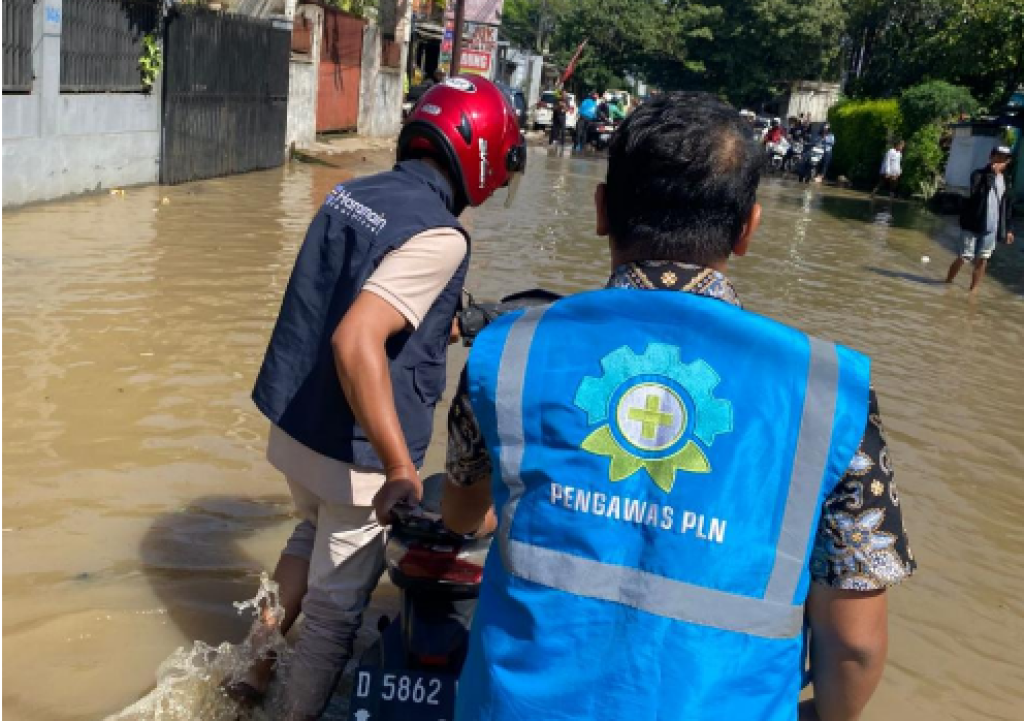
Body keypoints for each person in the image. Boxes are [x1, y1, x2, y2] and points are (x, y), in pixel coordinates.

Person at [437, 93, 914, 721]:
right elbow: (852, 644)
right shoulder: (832, 396)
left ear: (602, 211)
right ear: (748, 229)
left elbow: (461, 513)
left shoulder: (508, 353)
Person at [232, 76, 525, 720]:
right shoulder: (442, 235)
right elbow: (357, 337)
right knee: (337, 613)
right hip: (357, 456)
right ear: (482, 157)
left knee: (308, 534)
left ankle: (248, 671)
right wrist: (399, 467)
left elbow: (360, 299)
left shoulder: (351, 191)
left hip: (296, 427)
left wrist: (464, 321)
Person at [946, 145, 1016, 292]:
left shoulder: (1007, 181)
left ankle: (973, 291)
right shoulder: (978, 174)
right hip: (972, 223)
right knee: (965, 257)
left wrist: (1009, 229)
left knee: (983, 258)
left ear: (1008, 161)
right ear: (991, 157)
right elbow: (976, 194)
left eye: (1004, 158)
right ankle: (947, 282)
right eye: (997, 156)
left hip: (992, 226)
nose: (1000, 159)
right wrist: (991, 174)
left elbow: (1007, 207)